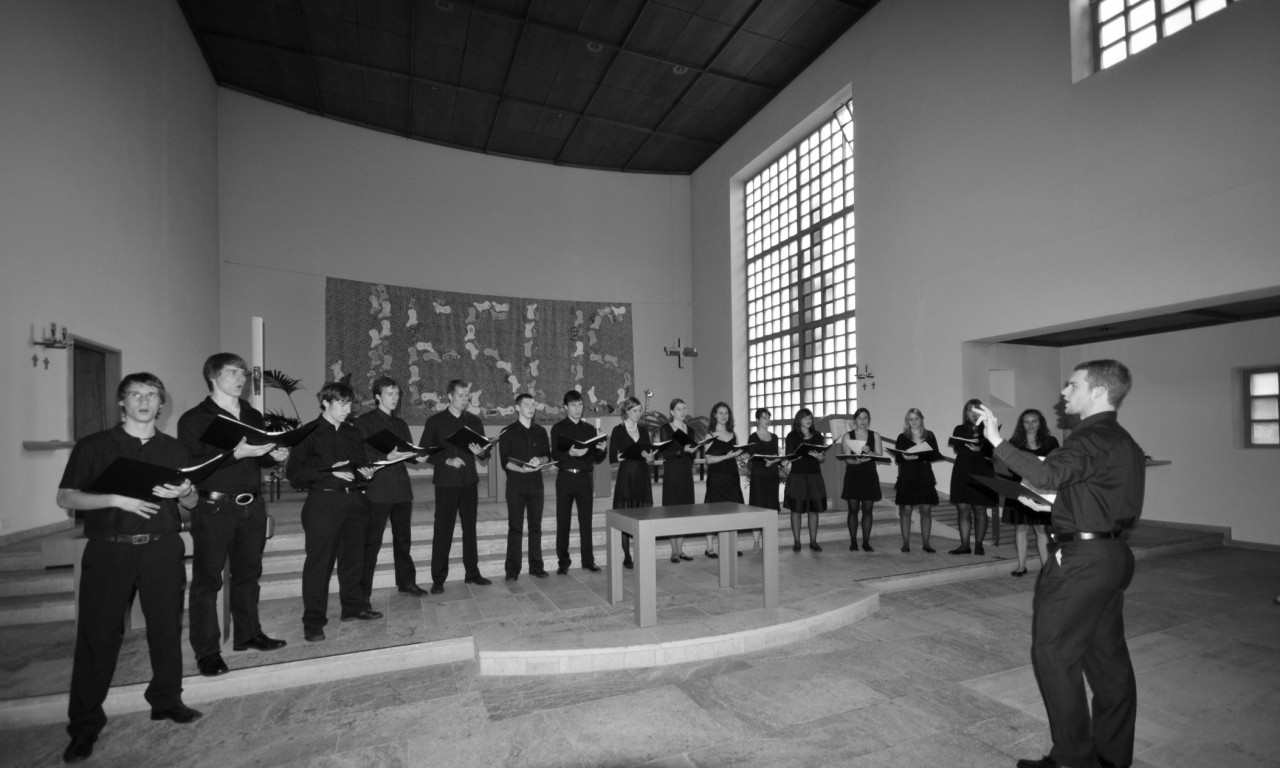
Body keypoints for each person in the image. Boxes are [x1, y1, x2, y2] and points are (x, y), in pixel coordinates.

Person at [975, 360, 1144, 768]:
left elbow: (1047, 474)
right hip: (1111, 555)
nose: (1064, 393)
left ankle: (1073, 759)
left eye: (1073, 385)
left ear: (1098, 391)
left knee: (1053, 653)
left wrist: (997, 440)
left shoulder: (1090, 437)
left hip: (1082, 563)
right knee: (1107, 660)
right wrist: (1055, 506)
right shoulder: (1122, 440)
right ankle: (1112, 756)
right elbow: (1098, 497)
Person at [57, 373, 203, 764]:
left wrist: (186, 491)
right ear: (122, 402)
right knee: (98, 636)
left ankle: (166, 701)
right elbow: (66, 497)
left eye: (152, 395)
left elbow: (192, 505)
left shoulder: (175, 449)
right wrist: (117, 500)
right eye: (135, 394)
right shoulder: (94, 445)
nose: (144, 401)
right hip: (110, 549)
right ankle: (84, 726)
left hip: (162, 548)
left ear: (161, 404)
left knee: (165, 628)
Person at [177, 353, 289, 679]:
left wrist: (274, 455)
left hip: (251, 506)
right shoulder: (195, 419)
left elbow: (259, 458)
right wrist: (234, 453)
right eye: (232, 373)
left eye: (243, 373)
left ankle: (248, 634)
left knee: (248, 574)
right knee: (207, 581)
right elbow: (193, 466)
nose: (241, 379)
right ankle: (207, 652)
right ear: (212, 377)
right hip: (214, 507)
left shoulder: (251, 414)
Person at [287, 381, 378, 643]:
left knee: (354, 560)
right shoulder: (308, 433)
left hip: (354, 501)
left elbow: (358, 466)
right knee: (320, 564)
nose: (348, 410)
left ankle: (353, 607)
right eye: (342, 404)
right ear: (325, 402)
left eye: (350, 404)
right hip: (323, 503)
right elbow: (295, 475)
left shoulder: (353, 433)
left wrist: (366, 472)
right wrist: (329, 472)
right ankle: (313, 621)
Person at [353, 377, 429, 599]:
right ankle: (362, 592)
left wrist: (418, 456)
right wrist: (386, 456)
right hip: (377, 489)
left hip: (401, 489)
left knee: (403, 539)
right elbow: (360, 455)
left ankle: (406, 582)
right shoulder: (364, 422)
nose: (395, 398)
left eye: (397, 394)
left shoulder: (400, 424)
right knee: (371, 542)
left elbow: (407, 453)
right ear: (377, 396)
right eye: (390, 394)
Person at [420, 379, 493, 592]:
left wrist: (481, 452)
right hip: (446, 483)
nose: (465, 399)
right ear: (450, 396)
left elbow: (485, 454)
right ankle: (438, 578)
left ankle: (472, 573)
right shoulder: (435, 421)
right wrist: (447, 460)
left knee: (470, 528)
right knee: (443, 529)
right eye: (460, 395)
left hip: (469, 481)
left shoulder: (474, 421)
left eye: (467, 395)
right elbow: (424, 452)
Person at [549, 390, 606, 574]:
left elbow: (597, 458)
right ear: (566, 407)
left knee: (586, 521)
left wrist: (603, 449)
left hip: (584, 478)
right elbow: (555, 455)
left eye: (580, 404)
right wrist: (570, 453)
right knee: (563, 522)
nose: (577, 408)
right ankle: (563, 562)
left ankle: (588, 560)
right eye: (573, 405)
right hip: (565, 478)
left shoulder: (589, 430)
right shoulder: (558, 429)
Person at [1000, 408, 1059, 577]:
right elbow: (1009, 465)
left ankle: (1046, 566)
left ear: (1040, 423)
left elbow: (1058, 464)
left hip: (1042, 488)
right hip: (1021, 488)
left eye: (1034, 421)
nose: (1030, 425)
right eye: (1026, 422)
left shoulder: (1050, 442)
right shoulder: (1015, 442)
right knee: (1021, 527)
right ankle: (1021, 565)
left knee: (1041, 528)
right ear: (1022, 424)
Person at [499, 393, 551, 581]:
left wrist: (540, 460)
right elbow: (505, 462)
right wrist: (521, 469)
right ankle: (512, 570)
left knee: (535, 527)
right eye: (527, 404)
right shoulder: (507, 432)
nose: (531, 407)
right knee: (515, 527)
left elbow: (547, 456)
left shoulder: (541, 431)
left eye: (533, 404)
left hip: (536, 485)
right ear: (517, 408)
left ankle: (536, 567)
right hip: (516, 486)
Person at [609, 396, 655, 569]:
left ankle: (640, 553)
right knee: (626, 514)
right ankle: (627, 555)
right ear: (626, 411)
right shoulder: (618, 430)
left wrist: (650, 457)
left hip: (642, 475)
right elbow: (612, 457)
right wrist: (622, 455)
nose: (638, 414)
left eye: (639, 411)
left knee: (642, 514)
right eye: (635, 411)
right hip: (627, 475)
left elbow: (649, 455)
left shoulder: (643, 430)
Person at [948, 398, 998, 556]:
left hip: (983, 470)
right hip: (963, 470)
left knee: (980, 509)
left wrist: (980, 449)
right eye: (970, 410)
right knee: (963, 509)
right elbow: (957, 448)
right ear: (966, 413)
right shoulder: (960, 429)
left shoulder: (989, 429)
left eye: (976, 410)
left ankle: (979, 545)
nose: (973, 413)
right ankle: (964, 545)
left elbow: (993, 451)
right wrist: (973, 449)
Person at [893, 408, 940, 553]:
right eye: (911, 419)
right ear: (907, 421)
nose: (914, 422)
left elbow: (934, 455)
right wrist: (905, 458)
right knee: (906, 509)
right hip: (907, 474)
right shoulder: (902, 437)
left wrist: (919, 457)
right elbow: (898, 458)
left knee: (926, 510)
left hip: (924, 474)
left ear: (921, 419)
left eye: (916, 419)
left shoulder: (929, 435)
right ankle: (906, 543)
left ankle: (926, 543)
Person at [702, 401, 744, 557]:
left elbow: (736, 456)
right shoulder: (709, 436)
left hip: (732, 476)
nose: (724, 416)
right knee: (712, 511)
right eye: (720, 413)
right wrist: (727, 456)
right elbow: (709, 460)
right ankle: (709, 547)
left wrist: (742, 456)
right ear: (714, 415)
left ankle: (731, 545)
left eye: (726, 413)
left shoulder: (734, 435)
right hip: (716, 477)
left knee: (733, 511)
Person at [658, 398, 697, 562]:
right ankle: (674, 550)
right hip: (672, 472)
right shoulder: (666, 429)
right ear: (672, 412)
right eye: (679, 409)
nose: (682, 412)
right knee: (672, 510)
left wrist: (692, 451)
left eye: (684, 408)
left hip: (686, 472)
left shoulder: (690, 430)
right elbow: (665, 453)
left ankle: (680, 549)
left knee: (685, 509)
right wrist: (682, 450)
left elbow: (693, 454)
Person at [784, 407, 828, 552]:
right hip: (797, 475)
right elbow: (788, 456)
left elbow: (822, 458)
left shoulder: (817, 436)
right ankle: (797, 542)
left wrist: (820, 457)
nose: (808, 420)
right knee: (796, 510)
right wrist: (795, 456)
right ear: (799, 420)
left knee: (814, 510)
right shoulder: (792, 436)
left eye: (810, 417)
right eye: (805, 417)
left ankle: (813, 541)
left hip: (814, 475)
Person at [839, 407, 882, 552]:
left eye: (865, 418)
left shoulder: (875, 435)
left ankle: (866, 542)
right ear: (855, 420)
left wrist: (870, 451)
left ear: (868, 420)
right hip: (853, 473)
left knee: (868, 510)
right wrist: (856, 462)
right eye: (859, 418)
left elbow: (879, 457)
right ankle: (853, 542)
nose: (862, 421)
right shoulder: (847, 436)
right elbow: (847, 458)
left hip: (869, 474)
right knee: (853, 509)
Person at [746, 407, 783, 552]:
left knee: (772, 508)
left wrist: (778, 461)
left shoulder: (774, 437)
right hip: (758, 476)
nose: (767, 420)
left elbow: (775, 456)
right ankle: (756, 543)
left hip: (772, 475)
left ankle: (770, 542)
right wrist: (766, 463)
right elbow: (752, 458)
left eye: (769, 417)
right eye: (764, 417)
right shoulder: (753, 437)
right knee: (757, 507)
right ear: (757, 420)